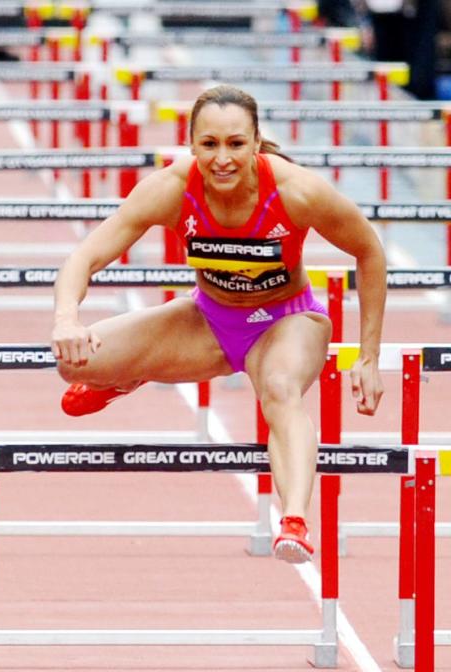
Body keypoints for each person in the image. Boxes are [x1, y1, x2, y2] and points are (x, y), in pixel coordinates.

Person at [51, 84, 385, 564]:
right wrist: (67, 319)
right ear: (191, 146)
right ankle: (127, 376)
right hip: (208, 320)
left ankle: (293, 519)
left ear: (254, 143)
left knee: (279, 389)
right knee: (75, 365)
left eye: (235, 144)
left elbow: (368, 250)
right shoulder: (169, 189)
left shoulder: (297, 191)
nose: (222, 159)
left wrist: (368, 356)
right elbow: (85, 255)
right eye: (209, 145)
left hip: (286, 322)